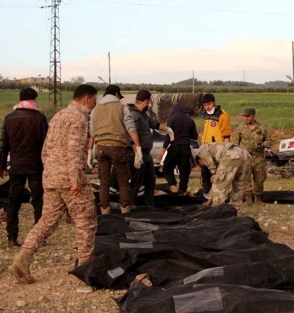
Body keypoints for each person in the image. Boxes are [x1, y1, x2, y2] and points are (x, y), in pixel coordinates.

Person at [10, 85, 98, 284]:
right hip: (70, 180)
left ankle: (22, 260)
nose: (94, 104)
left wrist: (49, 174)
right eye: (94, 100)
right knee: (86, 222)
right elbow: (74, 149)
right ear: (86, 99)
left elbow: (46, 149)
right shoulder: (78, 118)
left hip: (52, 178)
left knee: (47, 221)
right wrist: (76, 179)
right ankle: (85, 269)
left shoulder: (58, 116)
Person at [0, 88, 48, 248]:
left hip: (16, 165)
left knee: (13, 201)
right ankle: (39, 237)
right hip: (35, 165)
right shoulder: (40, 118)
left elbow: (3, 145)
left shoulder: (9, 118)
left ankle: (12, 237)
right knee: (38, 200)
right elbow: (47, 144)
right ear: (34, 99)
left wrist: (3, 165)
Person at [89, 85, 142, 214]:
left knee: (104, 180)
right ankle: (125, 208)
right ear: (117, 94)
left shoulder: (95, 109)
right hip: (117, 146)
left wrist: (89, 151)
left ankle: (105, 209)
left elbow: (92, 132)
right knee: (122, 180)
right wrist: (138, 147)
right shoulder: (122, 108)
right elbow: (131, 128)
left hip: (100, 147)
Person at [126, 90, 173, 207]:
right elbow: (131, 133)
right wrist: (136, 151)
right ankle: (131, 205)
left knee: (150, 180)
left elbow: (155, 124)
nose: (150, 104)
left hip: (146, 153)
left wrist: (168, 129)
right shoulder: (134, 115)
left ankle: (149, 205)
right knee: (136, 181)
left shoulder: (143, 115)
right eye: (150, 102)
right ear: (146, 101)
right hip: (137, 153)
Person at [158, 104, 198, 195]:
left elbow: (168, 136)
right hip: (186, 147)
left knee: (167, 167)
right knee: (184, 170)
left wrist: (163, 150)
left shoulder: (172, 120)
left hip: (175, 147)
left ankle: (172, 184)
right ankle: (183, 190)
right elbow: (195, 136)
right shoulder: (190, 121)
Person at [196, 142, 249, 210]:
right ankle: (235, 207)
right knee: (238, 182)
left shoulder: (201, 151)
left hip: (231, 154)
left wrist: (213, 173)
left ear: (199, 160)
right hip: (243, 153)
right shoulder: (215, 151)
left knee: (219, 182)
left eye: (202, 165)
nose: (203, 166)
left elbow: (209, 161)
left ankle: (217, 208)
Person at [235, 108, 271, 205]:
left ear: (253, 116)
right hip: (245, 158)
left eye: (248, 116)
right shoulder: (240, 128)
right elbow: (235, 143)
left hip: (258, 158)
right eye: (245, 116)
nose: (246, 118)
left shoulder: (261, 128)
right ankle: (248, 198)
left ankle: (258, 198)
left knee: (259, 178)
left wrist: (262, 144)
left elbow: (269, 141)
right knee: (245, 178)